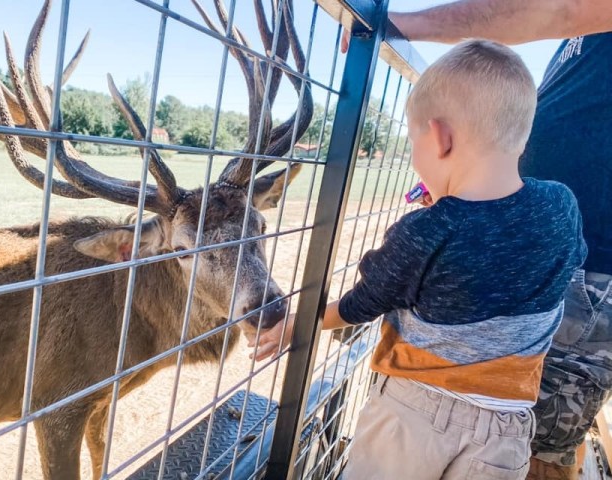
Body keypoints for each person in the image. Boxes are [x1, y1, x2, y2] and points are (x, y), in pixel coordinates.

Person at [253, 39, 586, 479]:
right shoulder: (560, 205)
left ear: (440, 137)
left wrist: (301, 323)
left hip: (415, 415)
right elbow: (562, 263)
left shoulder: (427, 229)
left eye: (414, 141)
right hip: (509, 424)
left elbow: (361, 305)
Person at [340, 2, 612, 478]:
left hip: (583, 278)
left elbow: (558, 10)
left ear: (437, 139)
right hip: (560, 264)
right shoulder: (560, 199)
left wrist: (394, 21)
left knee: (542, 450)